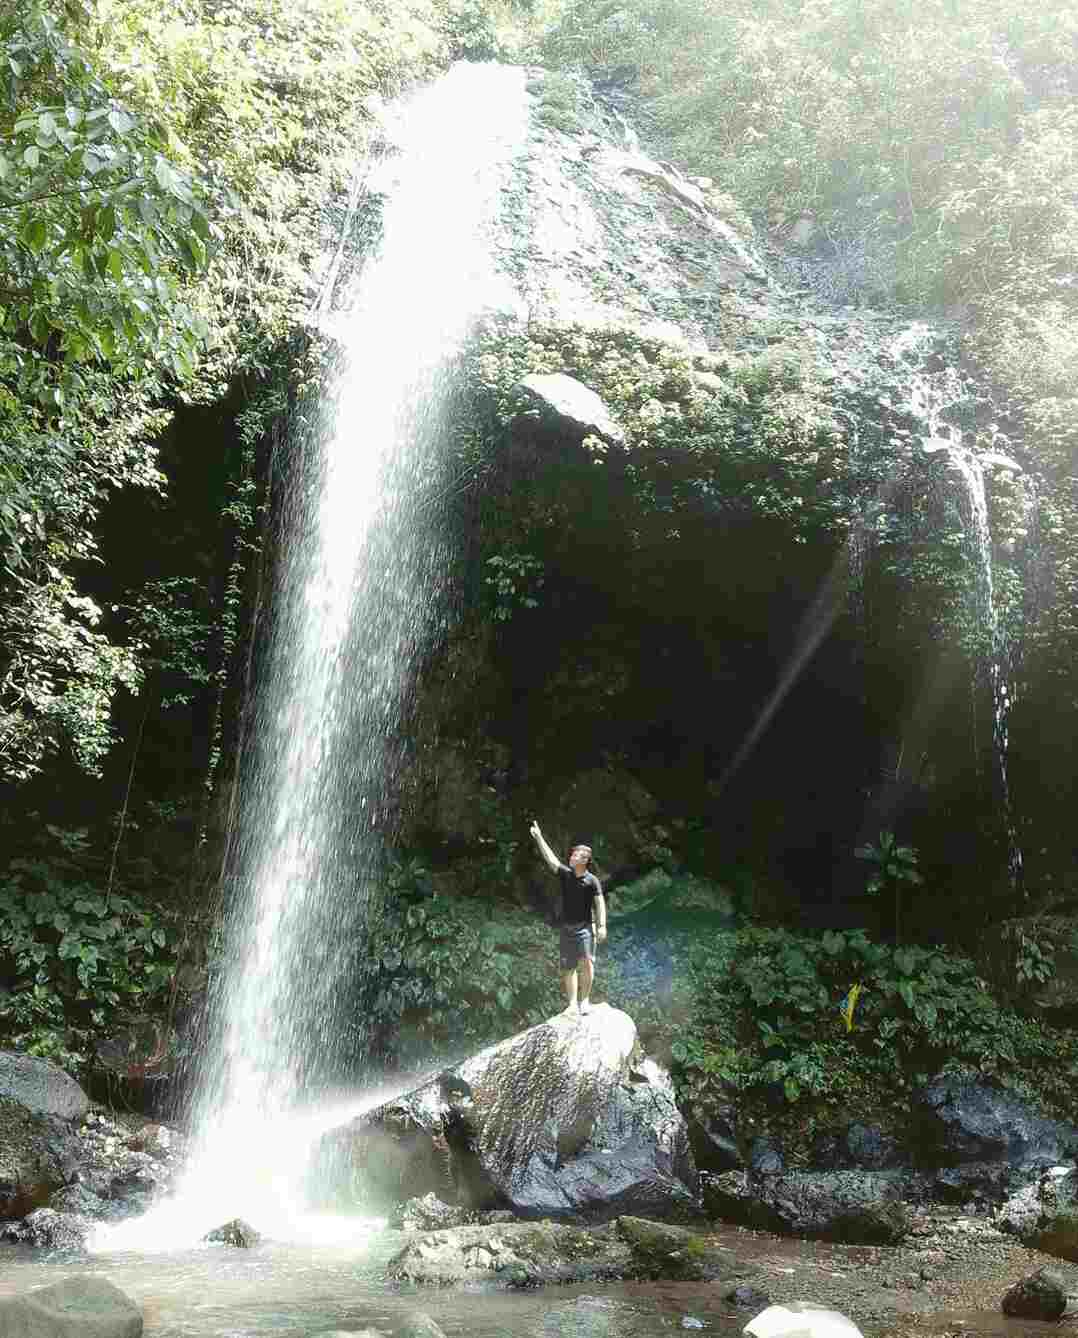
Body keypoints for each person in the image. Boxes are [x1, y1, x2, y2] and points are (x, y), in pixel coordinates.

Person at [529, 819, 607, 1018]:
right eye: (572, 854)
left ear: (584, 860)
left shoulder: (592, 881)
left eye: (575, 855)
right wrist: (539, 837)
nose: (571, 856)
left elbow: (599, 904)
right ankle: (572, 1005)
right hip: (567, 928)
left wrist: (602, 926)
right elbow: (551, 860)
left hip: (584, 929)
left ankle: (585, 1001)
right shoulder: (566, 874)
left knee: (587, 963)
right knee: (568, 968)